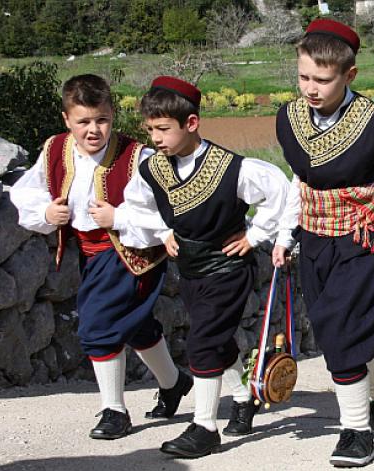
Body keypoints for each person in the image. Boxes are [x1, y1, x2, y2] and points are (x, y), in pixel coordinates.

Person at [10, 74, 189, 441]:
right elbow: (26, 193)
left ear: (113, 116)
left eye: (102, 120)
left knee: (97, 325)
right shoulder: (55, 149)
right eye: (83, 122)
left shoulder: (139, 157)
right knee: (134, 325)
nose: (93, 130)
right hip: (88, 254)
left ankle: (114, 410)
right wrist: (46, 213)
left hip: (132, 252)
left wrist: (118, 217)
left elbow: (166, 214)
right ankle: (174, 383)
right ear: (66, 120)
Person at [119, 76, 289, 458]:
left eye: (163, 129)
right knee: (216, 341)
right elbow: (137, 207)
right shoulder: (153, 170)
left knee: (202, 342)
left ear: (191, 124)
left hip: (228, 269)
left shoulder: (232, 167)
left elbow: (279, 189)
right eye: (150, 129)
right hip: (191, 271)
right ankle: (243, 398)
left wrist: (256, 235)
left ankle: (204, 428)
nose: (155, 138)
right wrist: (162, 231)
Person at [271, 19, 374, 467]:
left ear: (349, 75)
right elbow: (301, 178)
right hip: (314, 234)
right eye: (303, 77)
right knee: (337, 332)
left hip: (366, 235)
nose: (311, 88)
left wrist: (369, 209)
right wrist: (286, 231)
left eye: (323, 80)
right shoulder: (288, 118)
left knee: (340, 324)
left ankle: (356, 430)